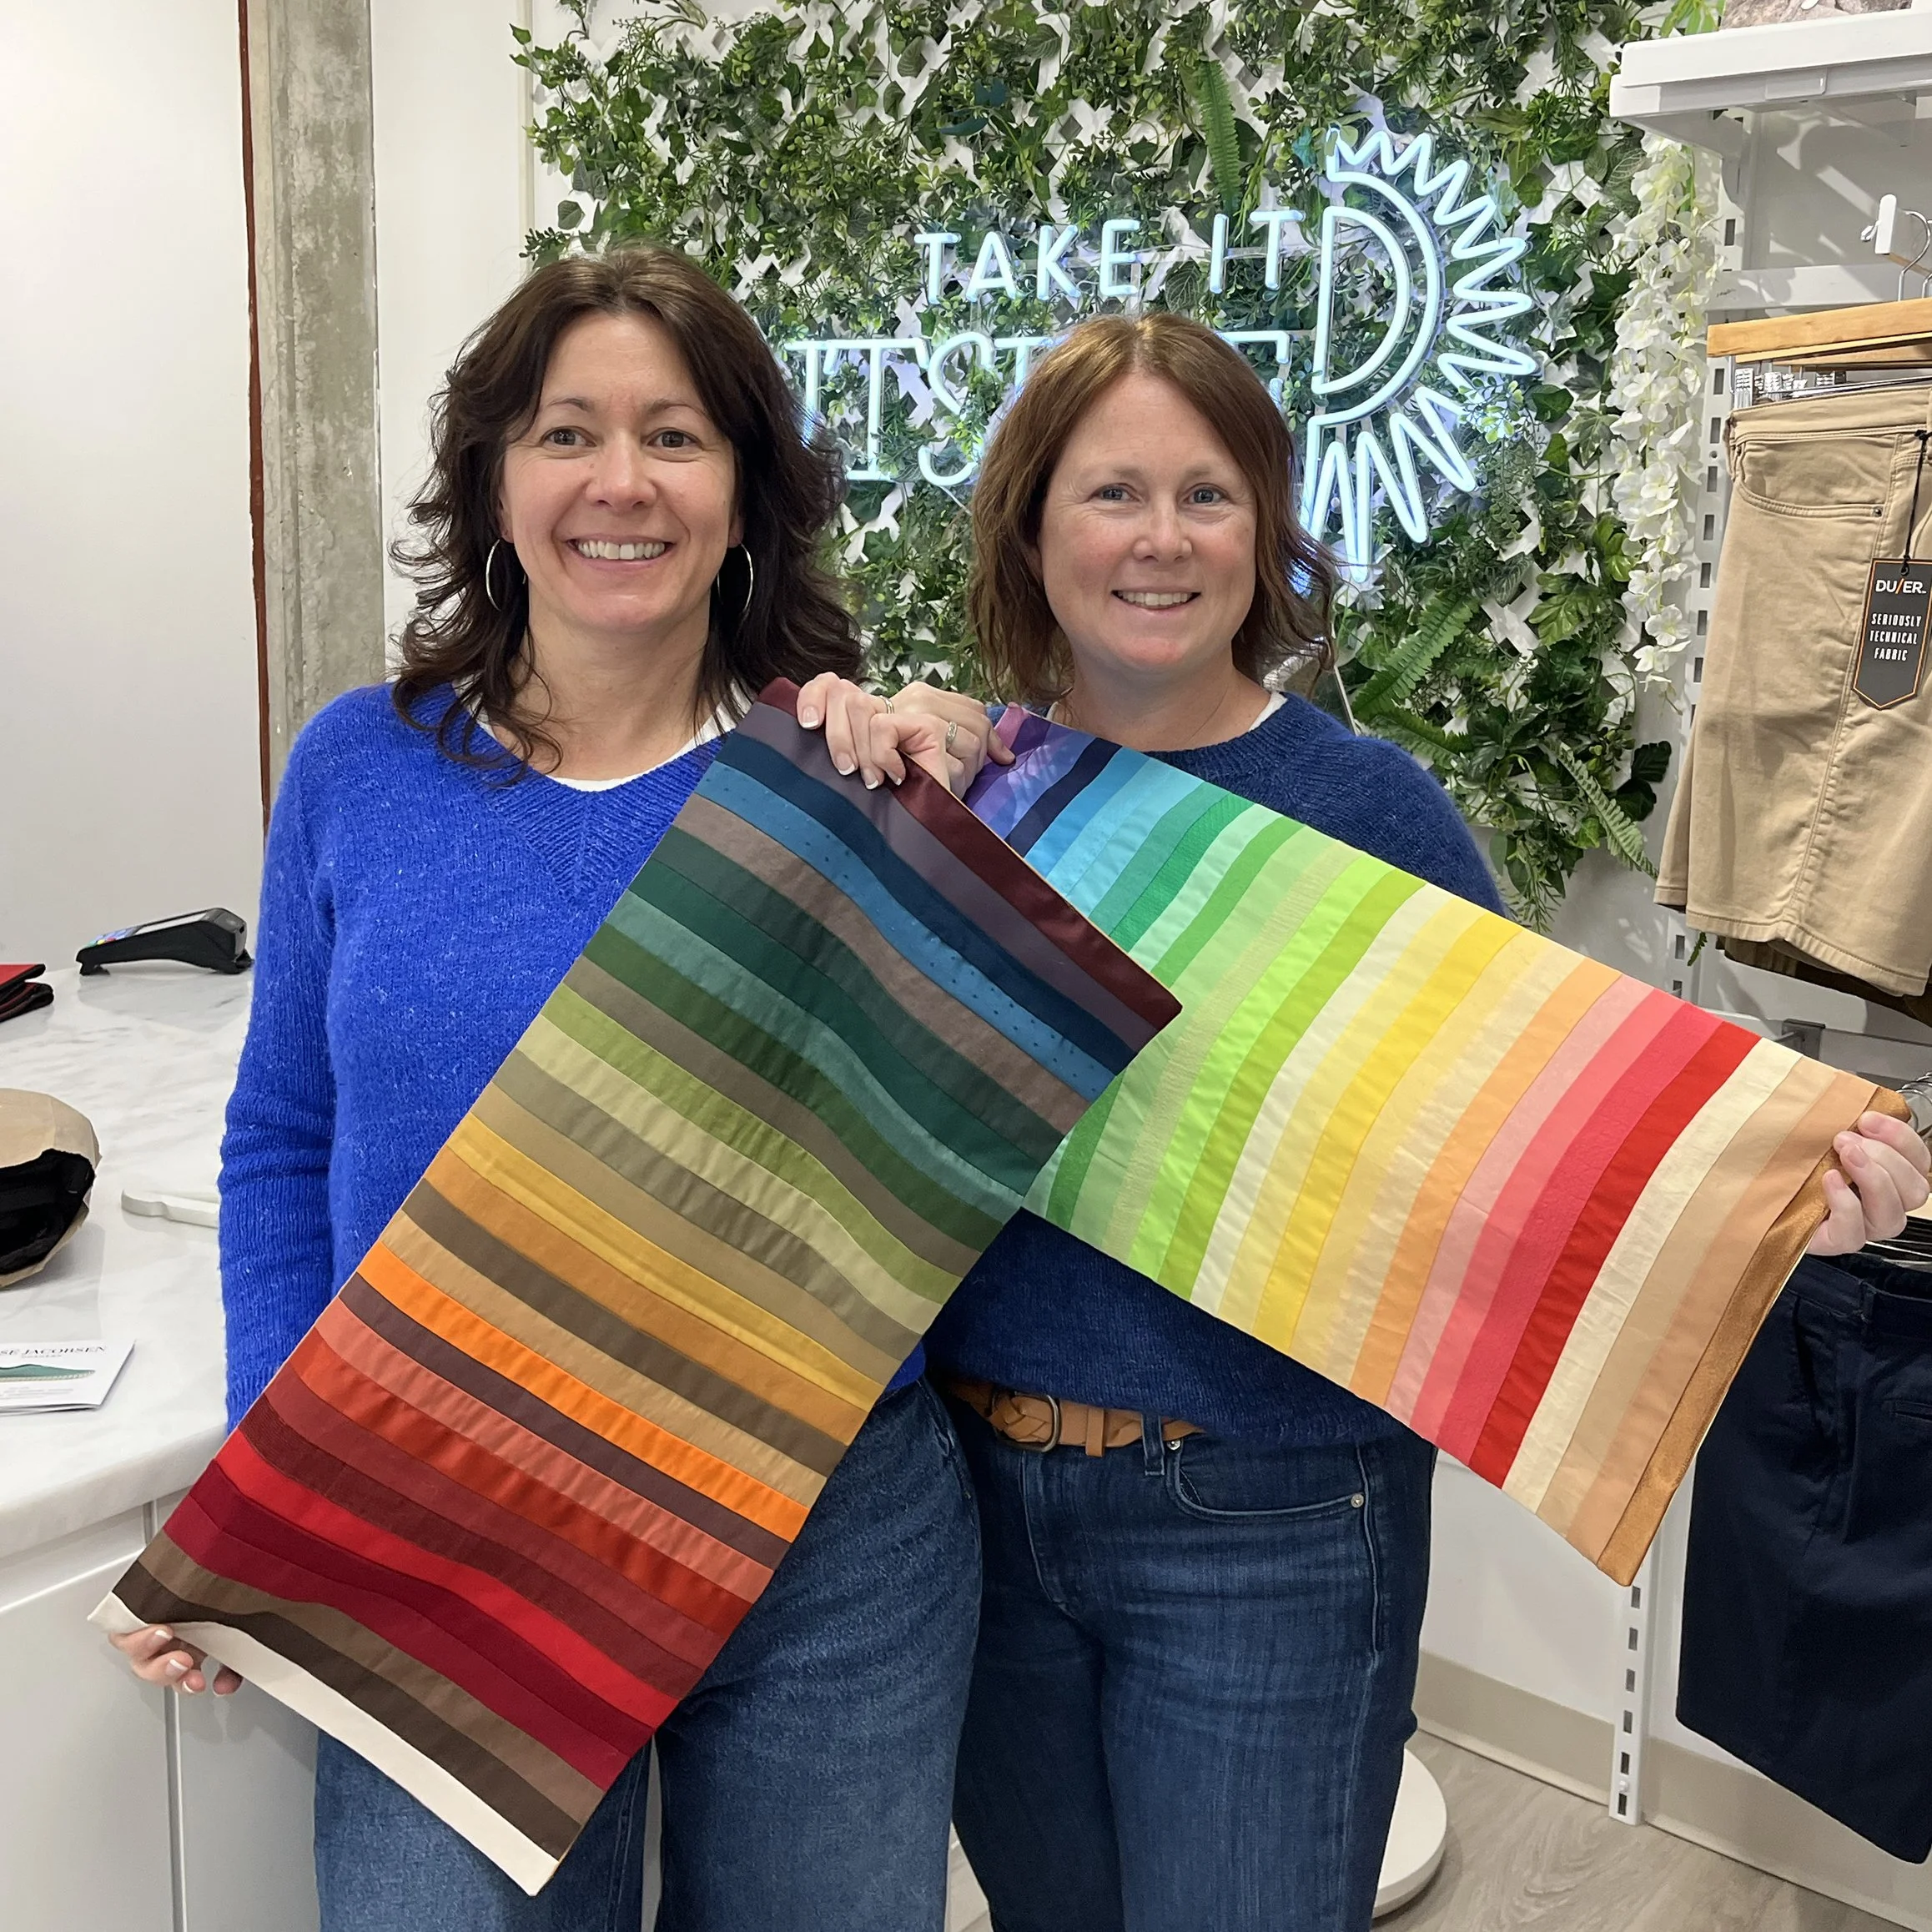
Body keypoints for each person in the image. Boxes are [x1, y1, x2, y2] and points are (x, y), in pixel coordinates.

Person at [798, 310, 1932, 1932]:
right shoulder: (961, 788)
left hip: (1268, 1518)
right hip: (974, 1512)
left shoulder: (1372, 811)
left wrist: (1791, 1198)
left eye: (1209, 493)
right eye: (1111, 492)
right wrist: (847, 756)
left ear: (1264, 526)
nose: (1162, 537)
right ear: (1030, 524)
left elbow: (1539, 1148)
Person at [107, 246, 974, 1932]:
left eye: (678, 436)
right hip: (441, 1527)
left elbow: (963, 1141)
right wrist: (281, 1494)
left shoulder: (842, 783)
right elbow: (284, 1140)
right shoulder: (357, 763)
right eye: (569, 432)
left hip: (822, 1537)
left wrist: (965, 784)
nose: (622, 482)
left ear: (745, 496)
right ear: (494, 481)